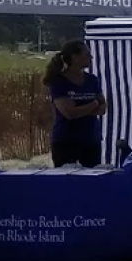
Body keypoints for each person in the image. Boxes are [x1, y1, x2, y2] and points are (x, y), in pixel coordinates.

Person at [44, 40, 106, 168]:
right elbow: (69, 113)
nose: (91, 58)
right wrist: (92, 105)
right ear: (75, 57)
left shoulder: (92, 79)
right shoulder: (59, 82)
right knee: (66, 181)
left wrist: (83, 108)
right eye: (87, 55)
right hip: (66, 140)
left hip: (91, 139)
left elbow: (103, 108)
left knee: (93, 179)